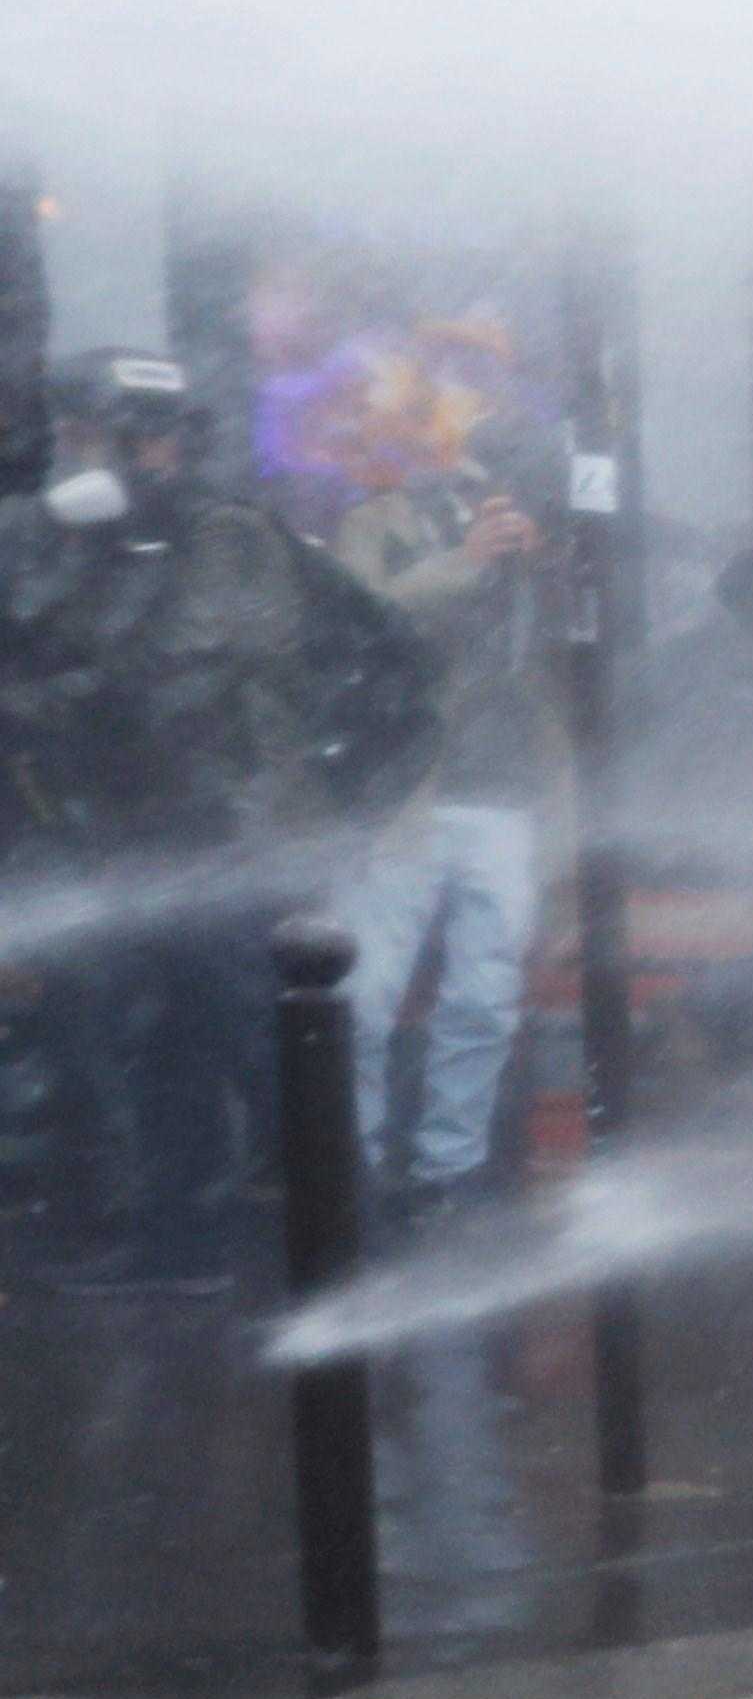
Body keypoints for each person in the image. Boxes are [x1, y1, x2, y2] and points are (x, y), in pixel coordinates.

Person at [11, 350, 436, 1285]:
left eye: (150, 437)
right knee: (145, 1050)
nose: (131, 458)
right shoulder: (55, 543)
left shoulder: (231, 543)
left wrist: (349, 809)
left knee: (270, 1049)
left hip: (236, 851)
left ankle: (351, 1251)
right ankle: (168, 1243)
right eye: (104, 438)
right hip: (115, 851)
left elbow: (392, 669)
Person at [313, 337, 561, 1217]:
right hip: (404, 799)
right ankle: (355, 1169)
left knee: (485, 1000)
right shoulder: (383, 520)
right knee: (366, 995)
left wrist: (546, 562)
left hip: (507, 799)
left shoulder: (549, 543)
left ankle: (448, 1170)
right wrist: (466, 561)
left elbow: (565, 670)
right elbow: (357, 620)